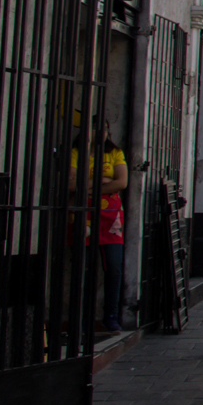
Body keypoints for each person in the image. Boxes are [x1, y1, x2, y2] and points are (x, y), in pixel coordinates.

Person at [81, 128, 128, 333]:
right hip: (84, 214)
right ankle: (81, 318)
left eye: (106, 128)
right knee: (83, 269)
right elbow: (73, 183)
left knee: (114, 266)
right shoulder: (77, 152)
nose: (101, 132)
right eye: (95, 127)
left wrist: (89, 186)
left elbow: (122, 182)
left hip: (111, 218)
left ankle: (110, 315)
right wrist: (104, 181)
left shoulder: (115, 153)